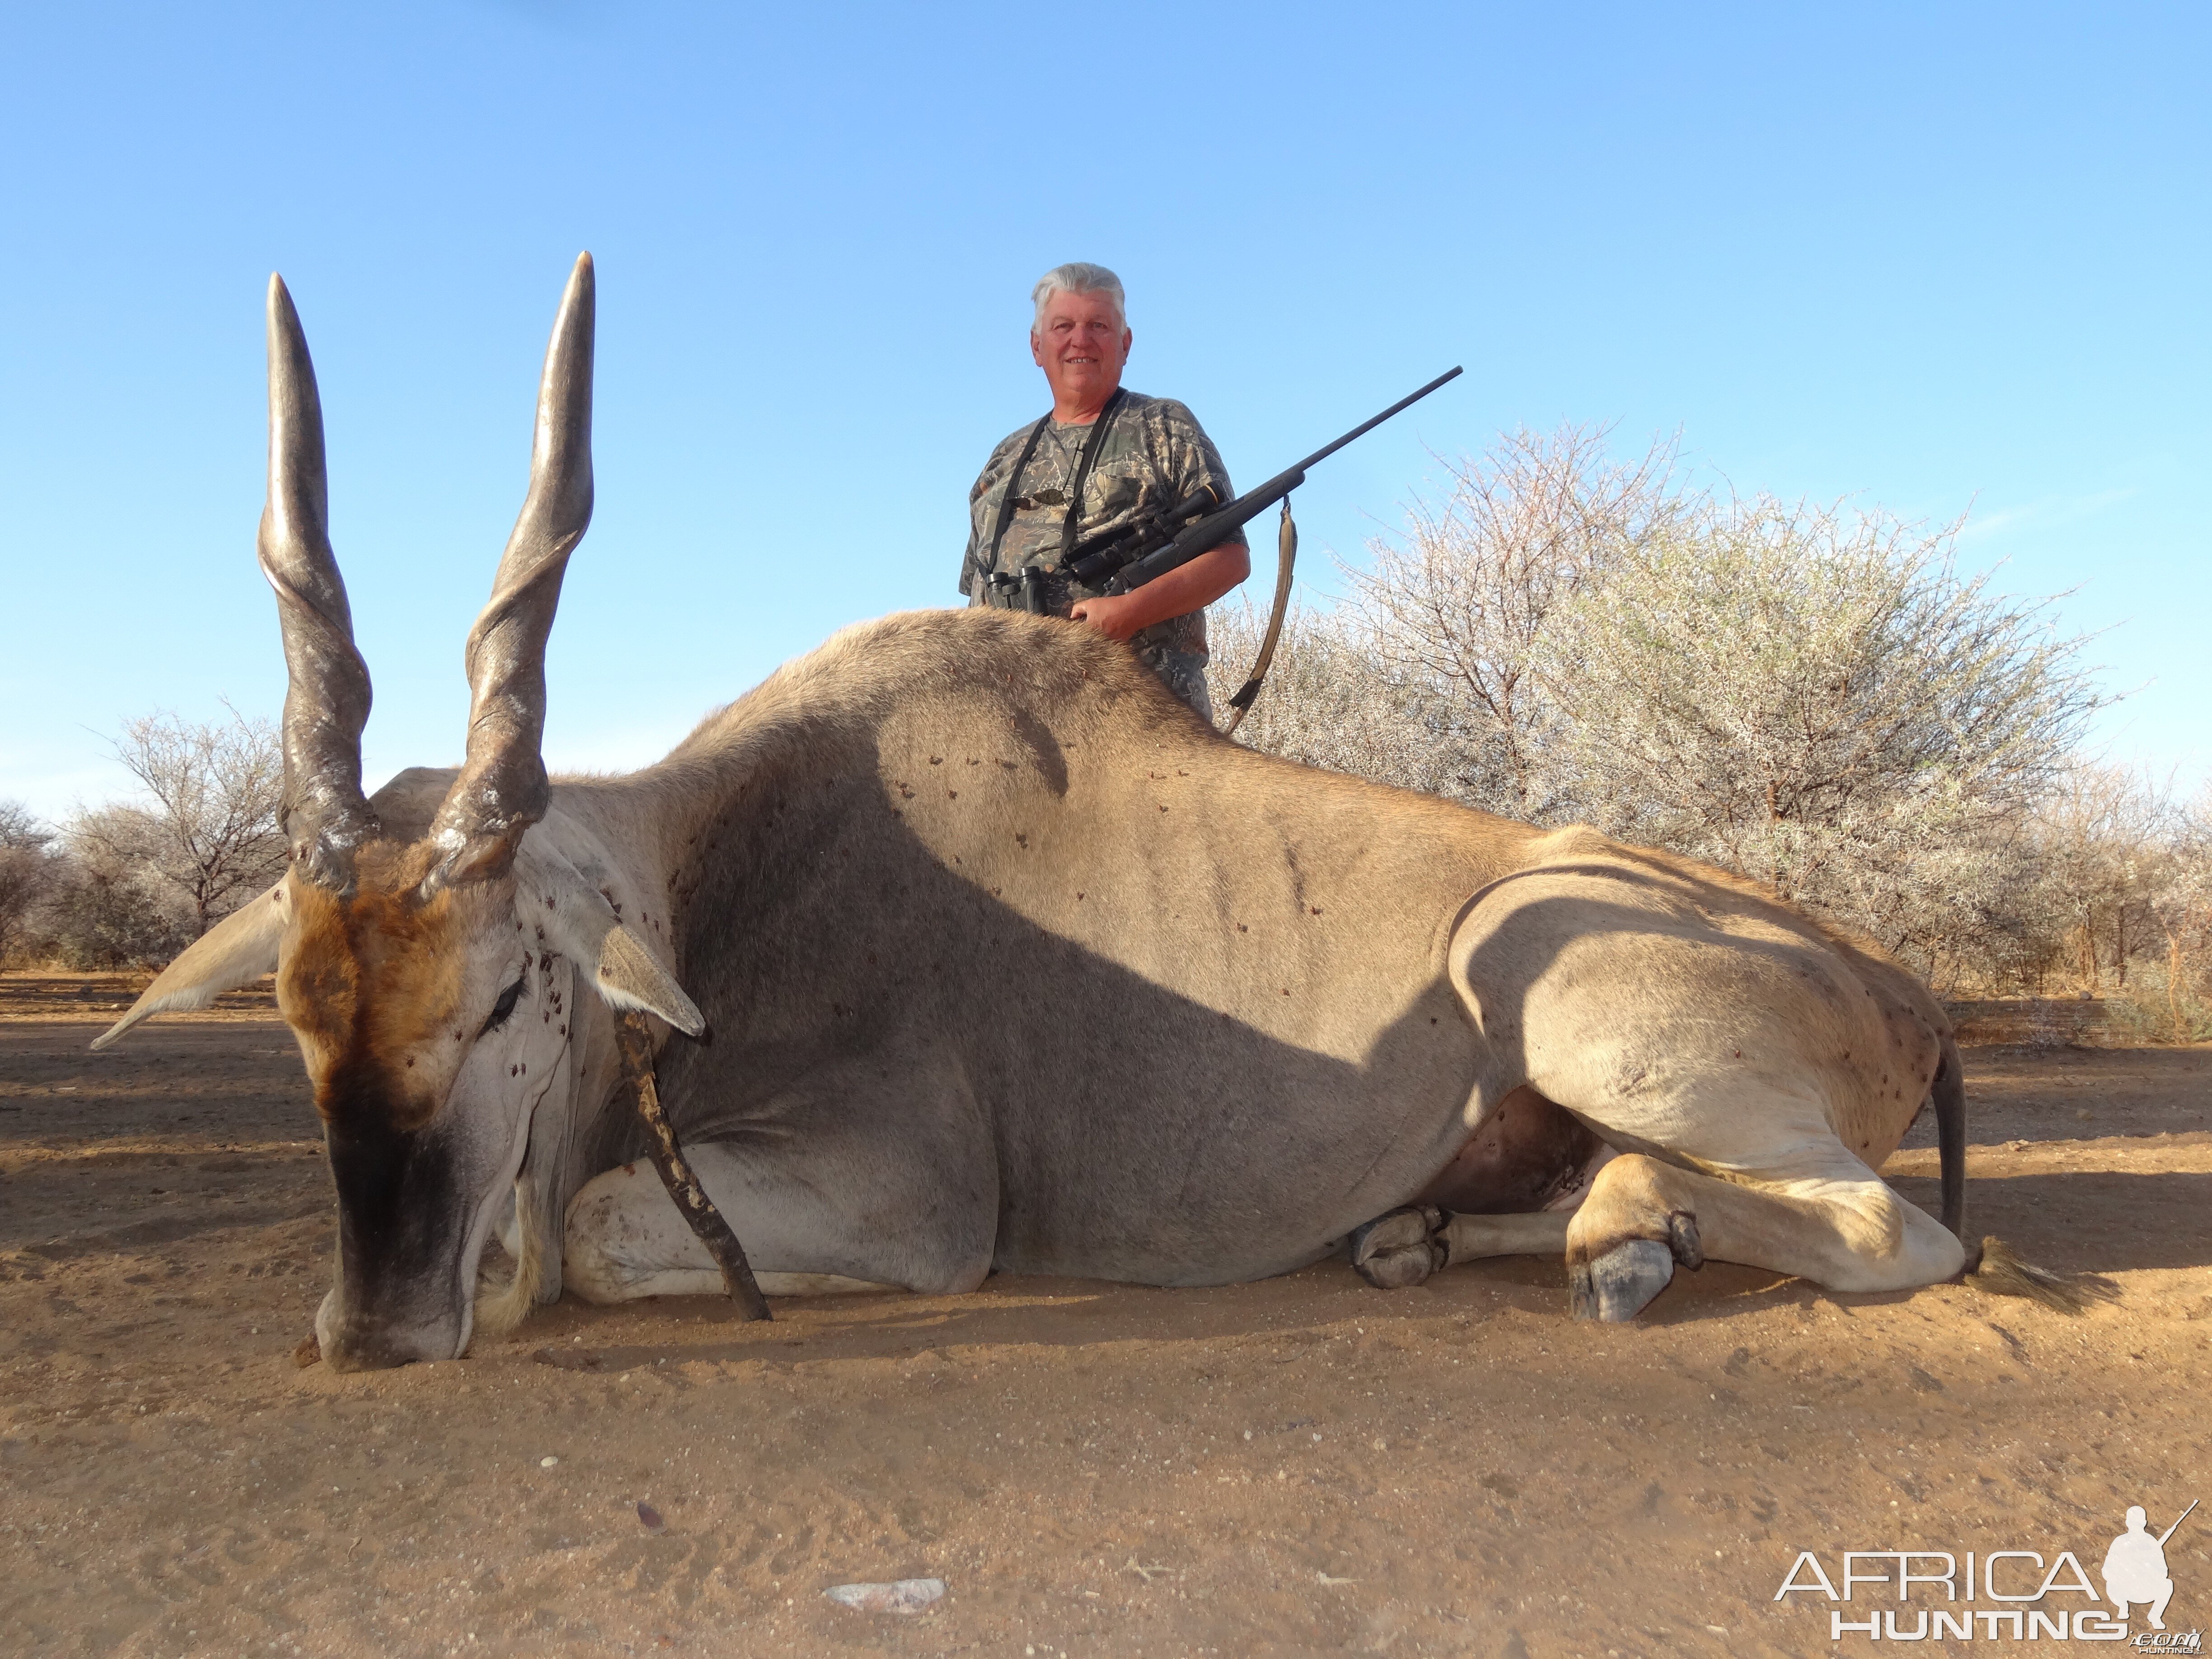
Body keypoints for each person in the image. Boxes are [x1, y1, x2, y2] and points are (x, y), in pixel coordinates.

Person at [959, 262, 1250, 719]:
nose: (1080, 340)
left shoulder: (1165, 426)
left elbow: (1230, 560)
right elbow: (972, 595)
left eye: (1098, 325)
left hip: (1139, 717)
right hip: (1014, 723)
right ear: (1037, 346)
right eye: (1063, 326)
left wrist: (1131, 611)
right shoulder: (1003, 459)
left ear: (1125, 343)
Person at [2102, 1505, 2177, 1629]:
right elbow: (2107, 1569)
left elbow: (2163, 1572)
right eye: (2133, 1523)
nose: (2135, 1526)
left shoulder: (2152, 1543)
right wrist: (2124, 1572)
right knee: (2110, 1583)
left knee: (2168, 1584)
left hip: (2145, 1590)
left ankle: (2155, 1616)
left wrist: (2147, 1569)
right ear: (2127, 1523)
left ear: (2144, 1523)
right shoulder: (2120, 1542)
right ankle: (2123, 1606)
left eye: (2138, 1523)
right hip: (2124, 1589)